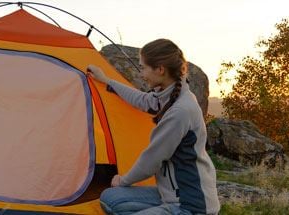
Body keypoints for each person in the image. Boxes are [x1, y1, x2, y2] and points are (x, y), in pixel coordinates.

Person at [86, 39, 220, 215]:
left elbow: (152, 160)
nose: (142, 74)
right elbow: (143, 100)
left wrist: (123, 180)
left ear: (160, 69)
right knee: (110, 198)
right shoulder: (170, 96)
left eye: (144, 68)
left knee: (117, 194)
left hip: (191, 205)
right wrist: (106, 81)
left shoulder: (180, 111)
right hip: (171, 193)